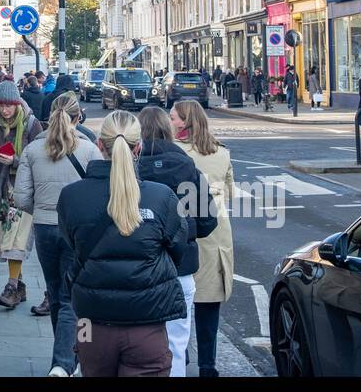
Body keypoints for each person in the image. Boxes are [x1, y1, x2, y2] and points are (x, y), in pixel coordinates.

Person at [56, 110, 188, 377]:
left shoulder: (71, 196)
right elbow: (178, 249)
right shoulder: (161, 197)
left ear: (98, 145)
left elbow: (73, 245)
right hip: (147, 323)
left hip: (90, 323)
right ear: (138, 147)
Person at [15, 92, 102, 374]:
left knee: (55, 293)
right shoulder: (90, 151)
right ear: (79, 117)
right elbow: (99, 192)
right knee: (69, 298)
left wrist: (41, 209)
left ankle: (63, 355)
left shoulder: (32, 150)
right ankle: (64, 362)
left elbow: (20, 198)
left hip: (44, 227)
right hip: (78, 230)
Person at [136, 106, 217, 377]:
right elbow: (208, 221)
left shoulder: (133, 167)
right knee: (177, 343)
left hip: (140, 267)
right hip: (180, 268)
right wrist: (184, 230)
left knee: (139, 344)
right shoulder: (188, 166)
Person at [170, 99, 234, 377]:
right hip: (216, 235)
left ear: (184, 121)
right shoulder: (221, 152)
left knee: (180, 309)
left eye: (172, 117)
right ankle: (208, 367)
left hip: (186, 236)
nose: (169, 121)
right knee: (208, 309)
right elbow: (228, 193)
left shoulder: (175, 154)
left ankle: (180, 363)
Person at [0, 81, 44, 308]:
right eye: (1, 105)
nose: (5, 110)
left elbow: (39, 157)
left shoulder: (31, 124)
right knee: (5, 239)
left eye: (9, 105)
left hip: (21, 188)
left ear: (17, 104)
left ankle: (12, 286)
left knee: (17, 238)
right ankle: (20, 285)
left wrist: (14, 160)